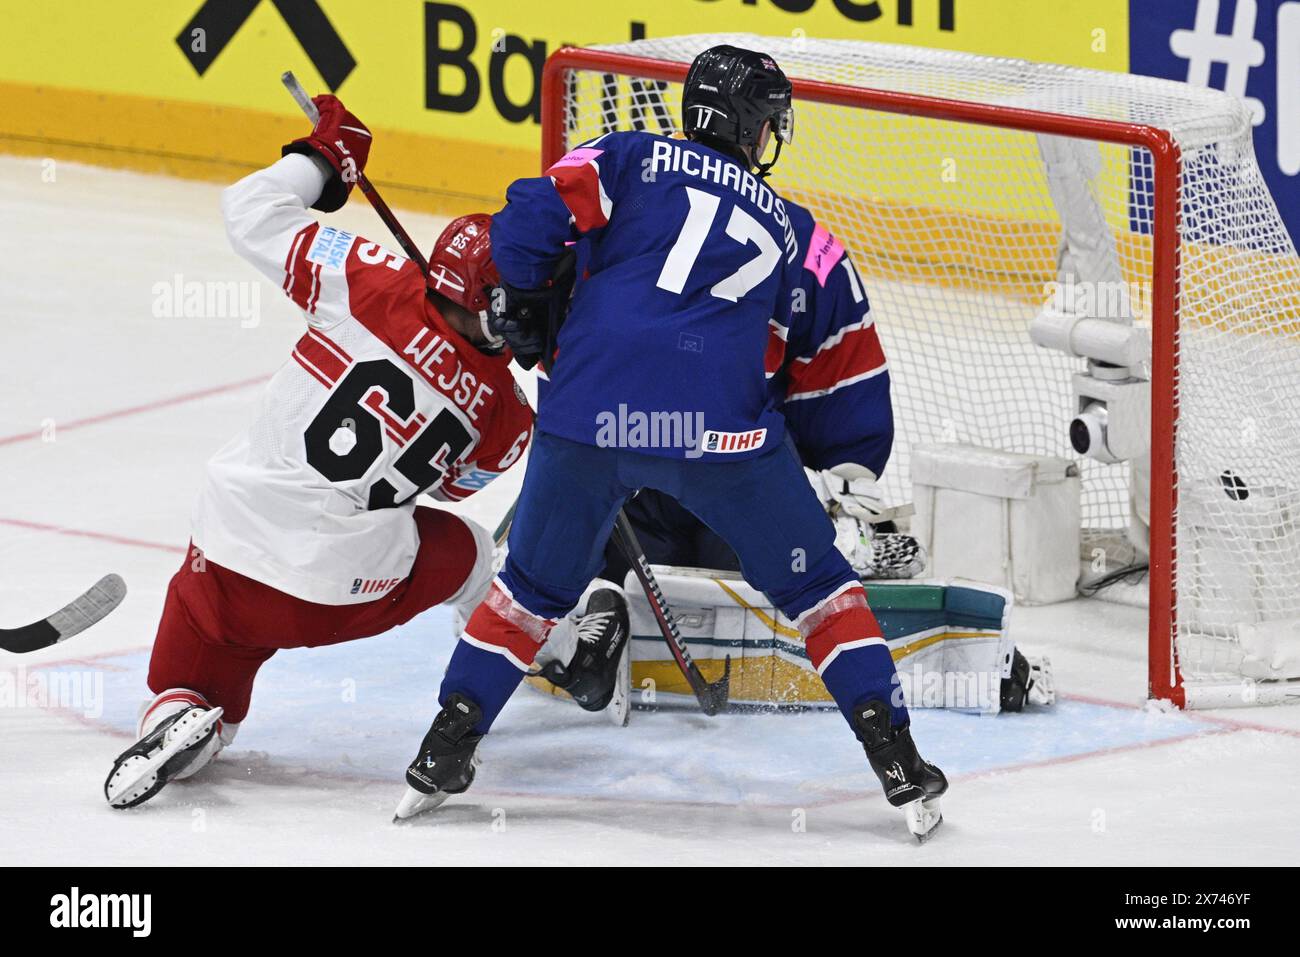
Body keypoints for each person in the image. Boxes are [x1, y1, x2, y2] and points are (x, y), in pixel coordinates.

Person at [398, 46, 948, 840]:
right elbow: (844, 361)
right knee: (824, 593)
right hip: (720, 438)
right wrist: (847, 464)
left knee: (525, 593)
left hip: (588, 421)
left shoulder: (624, 154)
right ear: (761, 131)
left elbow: (524, 220)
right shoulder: (798, 232)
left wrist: (524, 298)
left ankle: (443, 748)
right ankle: (897, 760)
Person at [103, 96, 533, 809]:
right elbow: (455, 489)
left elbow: (248, 210)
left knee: (191, 679)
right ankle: (546, 650)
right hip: (339, 591)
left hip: (228, 547)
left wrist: (324, 162)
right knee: (470, 550)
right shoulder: (507, 413)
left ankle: (184, 720)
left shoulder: (365, 276)